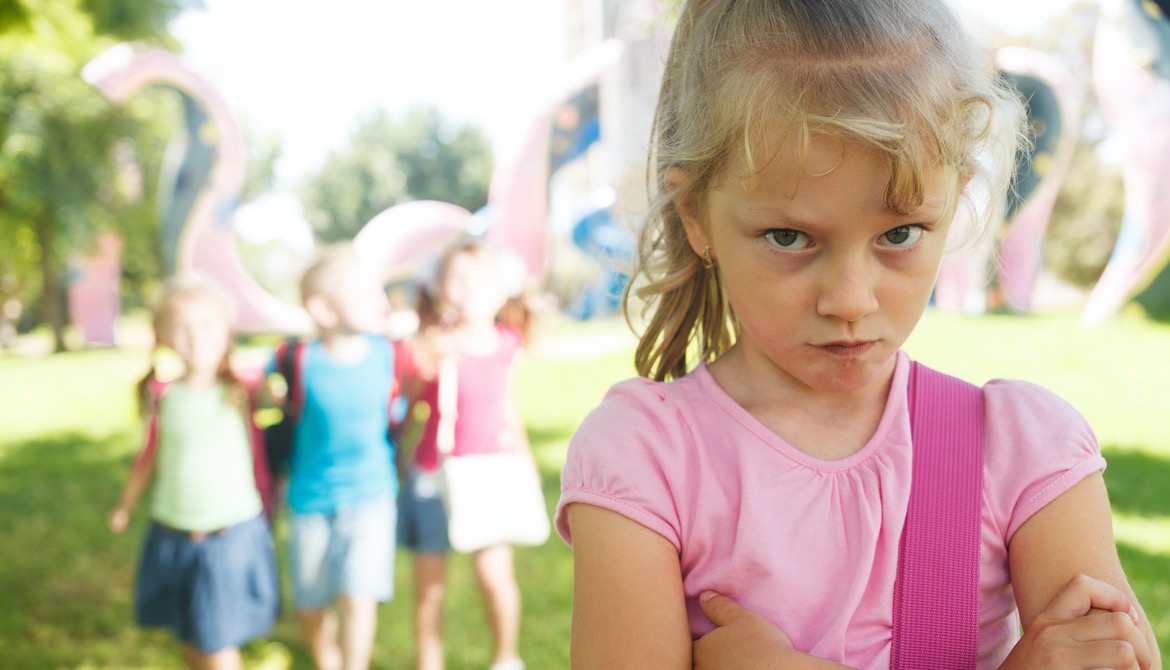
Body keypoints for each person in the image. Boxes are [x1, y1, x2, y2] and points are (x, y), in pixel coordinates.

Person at [554, 1, 1163, 669]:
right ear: (697, 216)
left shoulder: (1026, 452)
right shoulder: (648, 460)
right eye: (788, 237)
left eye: (899, 235)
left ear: (954, 199)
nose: (850, 300)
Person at [108, 274, 279, 670]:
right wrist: (125, 506)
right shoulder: (163, 395)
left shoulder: (244, 389)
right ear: (163, 334)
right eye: (182, 327)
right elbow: (148, 458)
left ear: (227, 332)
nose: (195, 337)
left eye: (206, 326)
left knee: (216, 644)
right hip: (172, 534)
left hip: (228, 536)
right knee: (189, 638)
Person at [396, 236, 535, 670]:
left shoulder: (509, 344)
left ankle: (506, 658)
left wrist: (525, 464)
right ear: (439, 287)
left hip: (489, 473)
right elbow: (410, 406)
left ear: (501, 289)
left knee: (497, 577)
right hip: (433, 475)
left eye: (481, 278)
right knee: (430, 588)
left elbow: (508, 408)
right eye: (458, 277)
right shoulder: (433, 345)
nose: (470, 287)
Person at [275, 243, 398, 670]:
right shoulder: (297, 360)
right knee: (311, 601)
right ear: (324, 310)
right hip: (310, 502)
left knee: (359, 596)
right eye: (367, 294)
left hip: (371, 498)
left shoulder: (388, 355)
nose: (382, 303)